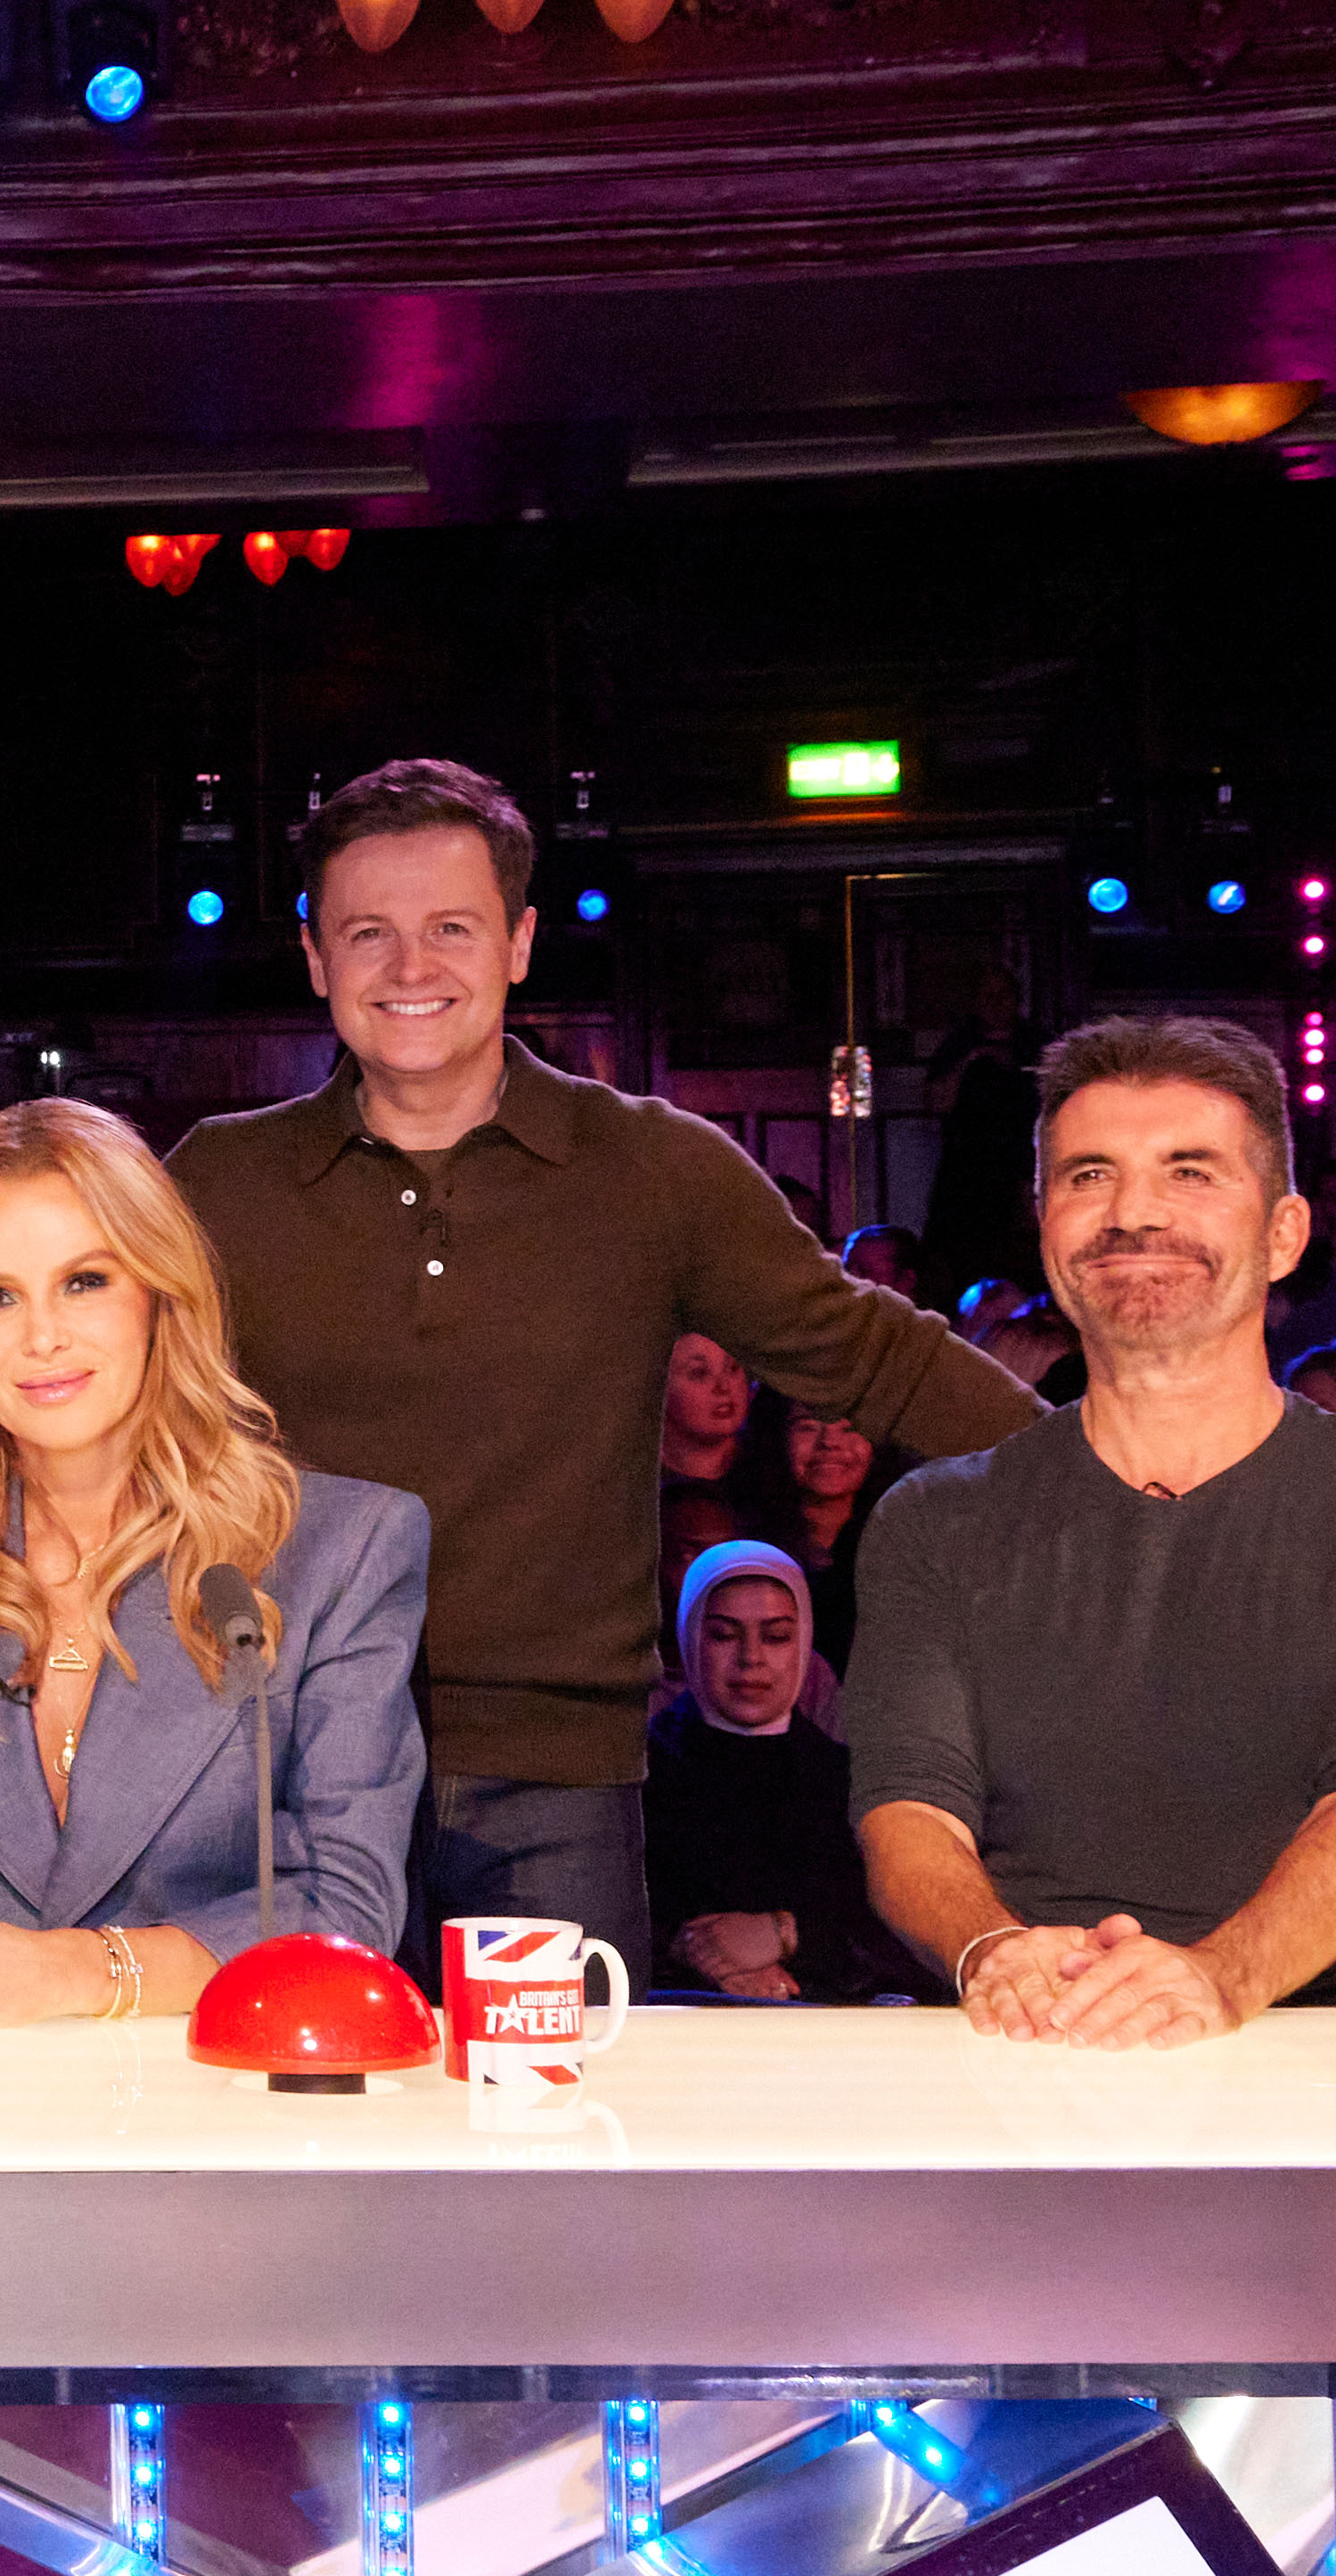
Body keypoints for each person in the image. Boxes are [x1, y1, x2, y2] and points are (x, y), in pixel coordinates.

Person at [176, 761, 1029, 1970]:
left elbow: (869, 1349)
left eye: (450, 929)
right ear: (315, 957)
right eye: (368, 933)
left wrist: (1098, 1475)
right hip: (277, 1764)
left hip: (554, 1777)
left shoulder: (650, 1171)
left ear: (519, 942)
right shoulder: (217, 1178)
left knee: (542, 2142)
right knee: (298, 2129)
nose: (409, 968)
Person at [843, 1020, 1336, 2039]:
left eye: (1190, 1172)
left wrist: (1217, 1980)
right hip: (1030, 2041)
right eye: (1088, 1176)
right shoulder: (935, 1520)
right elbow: (909, 1816)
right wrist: (993, 1951)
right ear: (1045, 1229)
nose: (1134, 1213)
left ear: (1286, 1233)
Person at [0, 1100, 431, 2019]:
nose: (42, 1337)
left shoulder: (340, 1551)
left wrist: (63, 1975)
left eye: (85, 1282)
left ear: (160, 1292)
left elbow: (348, 1910)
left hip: (219, 2114)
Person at [643, 1538, 922, 2001]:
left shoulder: (846, 1780)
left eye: (775, 1636)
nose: (751, 1658)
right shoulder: (643, 1773)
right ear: (689, 1634)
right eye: (724, 1634)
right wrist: (702, 1956)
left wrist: (785, 1933)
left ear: (804, 1642)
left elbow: (903, 1936)